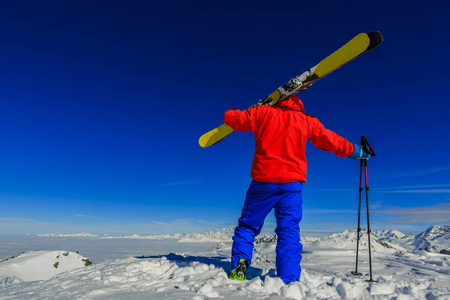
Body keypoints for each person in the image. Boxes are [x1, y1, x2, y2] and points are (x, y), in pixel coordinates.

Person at [223, 94, 370, 283]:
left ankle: (239, 265)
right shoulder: (306, 120)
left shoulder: (262, 112)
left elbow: (233, 119)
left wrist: (241, 109)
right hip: (292, 185)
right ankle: (289, 278)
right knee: (288, 231)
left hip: (263, 181)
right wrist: (354, 151)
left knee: (248, 225)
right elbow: (329, 139)